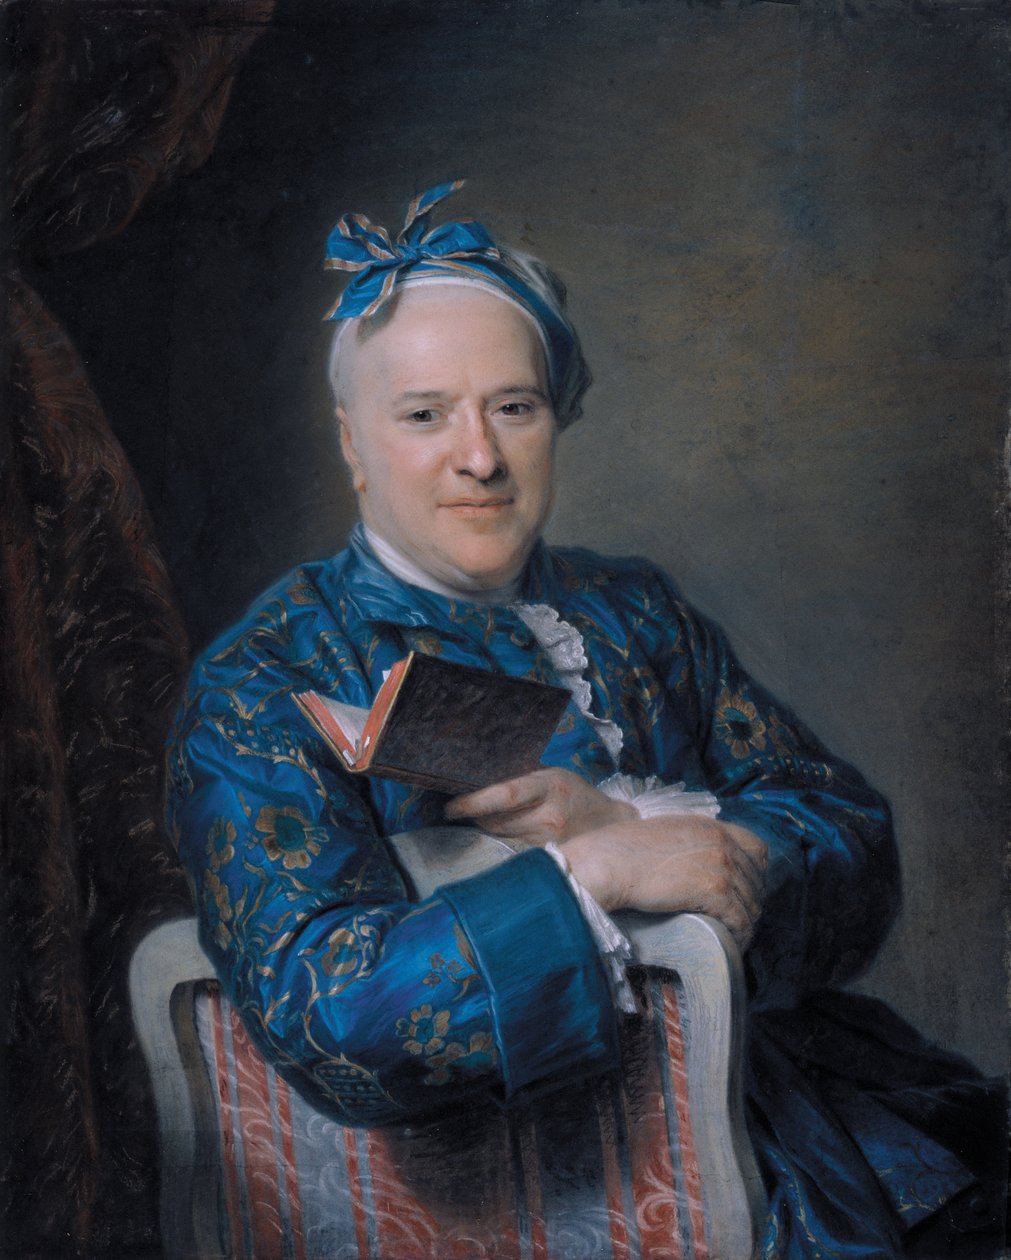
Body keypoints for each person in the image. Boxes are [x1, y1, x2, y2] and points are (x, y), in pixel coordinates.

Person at [166, 183, 1002, 1257]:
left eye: (513, 408)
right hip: (543, 1196)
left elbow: (852, 841)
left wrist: (719, 847)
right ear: (352, 443)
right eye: (424, 415)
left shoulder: (636, 611)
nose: (480, 457)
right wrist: (596, 871)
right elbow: (328, 1016)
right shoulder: (262, 679)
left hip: (788, 1114)